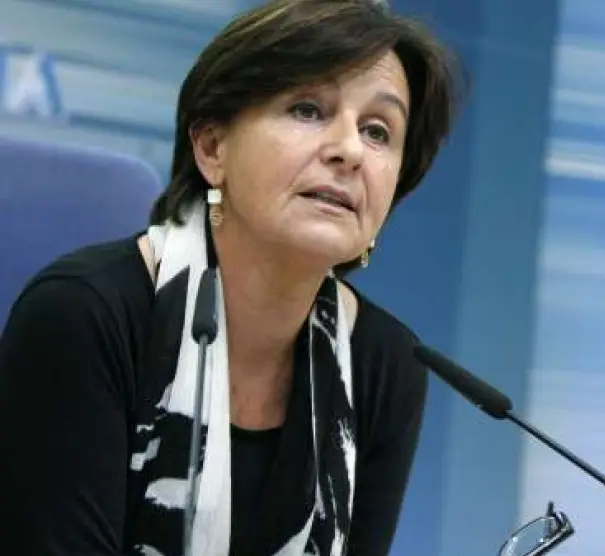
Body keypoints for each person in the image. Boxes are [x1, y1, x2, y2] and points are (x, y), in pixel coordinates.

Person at [0, 0, 461, 555]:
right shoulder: (84, 316)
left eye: (378, 131)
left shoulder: (382, 362)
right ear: (212, 146)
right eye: (308, 109)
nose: (349, 151)